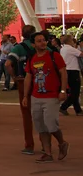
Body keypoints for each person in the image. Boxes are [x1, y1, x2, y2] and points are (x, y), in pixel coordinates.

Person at [22, 32, 69, 163]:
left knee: (51, 125)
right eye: (39, 41)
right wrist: (25, 96)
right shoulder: (32, 59)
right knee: (40, 127)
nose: (42, 43)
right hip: (36, 96)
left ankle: (62, 143)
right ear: (33, 44)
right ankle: (48, 153)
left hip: (51, 96)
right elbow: (28, 77)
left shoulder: (55, 56)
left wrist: (63, 90)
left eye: (44, 40)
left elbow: (63, 73)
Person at [5, 25, 38, 154]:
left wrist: (14, 77)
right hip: (40, 81)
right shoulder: (39, 46)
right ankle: (46, 143)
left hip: (23, 81)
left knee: (26, 114)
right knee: (42, 113)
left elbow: (8, 64)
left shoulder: (18, 48)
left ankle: (29, 145)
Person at [59, 34, 83, 116]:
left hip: (67, 71)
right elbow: (81, 54)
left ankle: (78, 110)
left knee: (74, 91)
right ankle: (64, 107)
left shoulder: (63, 49)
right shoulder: (70, 49)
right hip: (73, 71)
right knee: (75, 92)